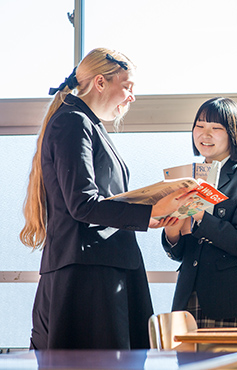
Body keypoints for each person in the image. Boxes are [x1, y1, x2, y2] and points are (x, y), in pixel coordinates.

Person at [20, 48, 193, 349]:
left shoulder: (85, 124)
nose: (132, 97)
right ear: (100, 83)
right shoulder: (73, 122)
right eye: (128, 87)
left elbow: (94, 202)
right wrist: (149, 209)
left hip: (100, 267)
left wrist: (150, 214)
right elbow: (83, 204)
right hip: (88, 275)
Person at [160, 97, 237, 328]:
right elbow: (180, 253)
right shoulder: (186, 179)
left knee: (235, 365)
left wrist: (199, 215)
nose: (205, 134)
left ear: (233, 134)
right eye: (199, 126)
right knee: (188, 365)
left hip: (233, 300)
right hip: (189, 298)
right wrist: (172, 232)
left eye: (215, 128)